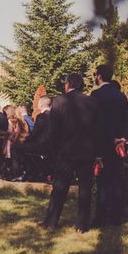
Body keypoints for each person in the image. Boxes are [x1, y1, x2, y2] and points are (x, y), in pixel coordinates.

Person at [42, 73, 99, 232]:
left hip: (66, 151)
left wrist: (54, 150)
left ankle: (51, 221)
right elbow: (96, 130)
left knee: (59, 187)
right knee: (85, 189)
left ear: (68, 85)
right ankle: (82, 225)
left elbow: (53, 130)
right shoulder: (91, 102)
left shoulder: (59, 101)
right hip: (87, 151)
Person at [91, 64, 128, 228]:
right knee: (116, 180)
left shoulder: (96, 95)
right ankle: (116, 216)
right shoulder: (121, 96)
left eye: (95, 74)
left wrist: (105, 141)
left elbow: (96, 123)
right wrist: (122, 139)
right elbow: (126, 121)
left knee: (102, 181)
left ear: (99, 75)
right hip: (118, 145)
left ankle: (101, 218)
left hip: (102, 144)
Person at [11, 95, 51, 181]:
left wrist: (25, 141)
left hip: (41, 146)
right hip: (51, 147)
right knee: (29, 153)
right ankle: (32, 173)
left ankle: (18, 174)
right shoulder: (56, 116)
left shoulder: (41, 116)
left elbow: (34, 134)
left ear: (41, 104)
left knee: (16, 147)